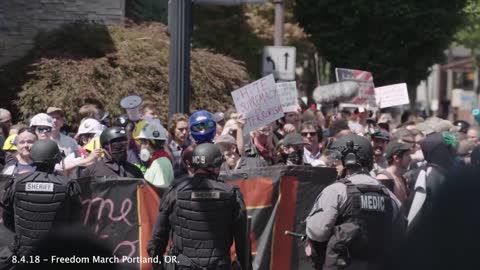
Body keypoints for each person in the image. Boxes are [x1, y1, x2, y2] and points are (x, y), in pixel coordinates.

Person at [305, 134, 405, 270]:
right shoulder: (388, 194)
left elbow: (318, 232)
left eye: (337, 158)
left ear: (350, 160)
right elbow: (400, 230)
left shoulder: (337, 190)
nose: (335, 163)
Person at [148, 143, 250, 270]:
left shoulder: (174, 192)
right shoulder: (231, 194)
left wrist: (159, 266)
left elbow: (156, 240)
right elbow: (242, 242)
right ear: (216, 166)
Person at [1, 139, 81, 268]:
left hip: (23, 254)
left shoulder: (16, 183)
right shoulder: (67, 185)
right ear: (56, 159)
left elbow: (7, 218)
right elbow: (75, 221)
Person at [79, 127, 143, 178]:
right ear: (104, 148)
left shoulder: (134, 171)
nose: (122, 149)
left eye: (124, 144)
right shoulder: (91, 171)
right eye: (116, 146)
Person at [135, 119, 174, 188]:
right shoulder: (156, 161)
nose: (140, 146)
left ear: (147, 143)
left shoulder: (161, 163)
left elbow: (159, 193)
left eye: (141, 142)